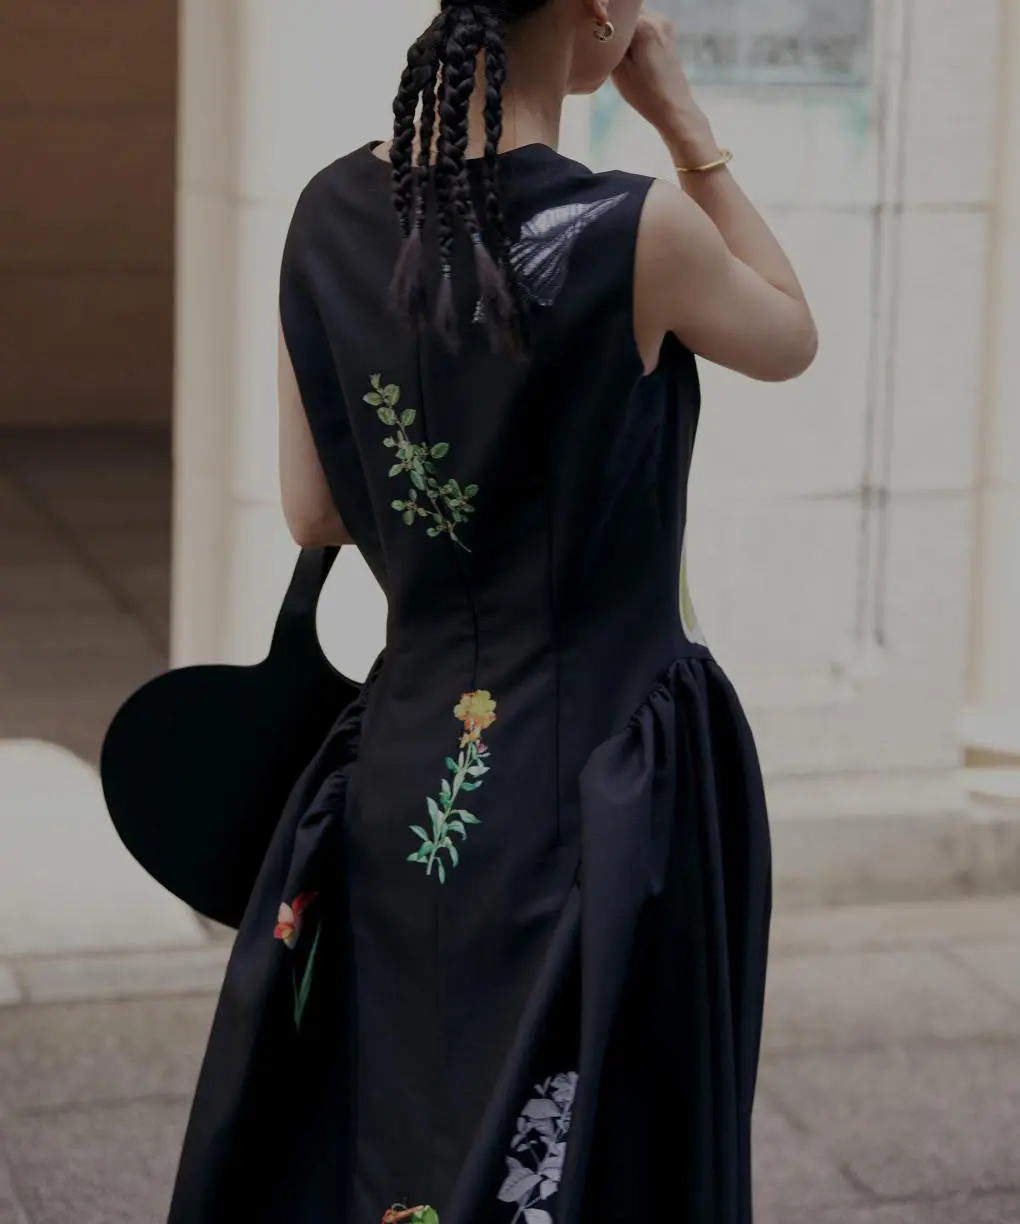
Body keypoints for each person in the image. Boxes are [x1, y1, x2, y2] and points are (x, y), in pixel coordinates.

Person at [168, 3, 817, 1223]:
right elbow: (788, 336)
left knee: (402, 1133)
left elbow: (313, 511)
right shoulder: (636, 227)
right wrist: (685, 124)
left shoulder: (329, 212)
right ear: (600, 10)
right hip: (602, 776)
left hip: (404, 764)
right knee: (585, 1161)